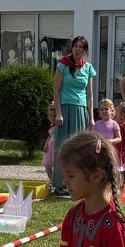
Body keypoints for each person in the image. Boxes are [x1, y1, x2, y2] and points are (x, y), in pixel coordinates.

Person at [50, 36, 97, 197]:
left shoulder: (88, 68)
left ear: (85, 51)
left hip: (81, 110)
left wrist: (91, 117)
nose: (77, 49)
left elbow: (90, 95)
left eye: (80, 47)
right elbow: (56, 90)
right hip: (65, 109)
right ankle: (59, 184)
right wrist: (59, 113)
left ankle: (79, 184)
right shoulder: (62, 65)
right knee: (62, 147)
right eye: (75, 46)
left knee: (79, 149)